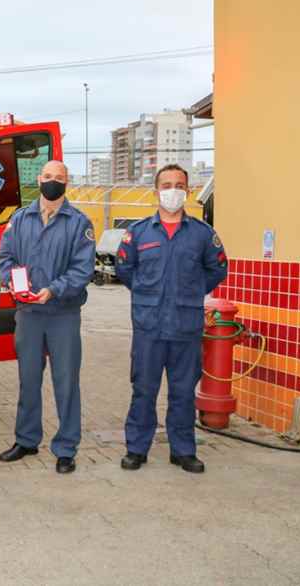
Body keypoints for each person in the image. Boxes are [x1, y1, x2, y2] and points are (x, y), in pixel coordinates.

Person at [116, 164, 228, 474]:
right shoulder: (137, 232)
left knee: (182, 392)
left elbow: (217, 269)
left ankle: (183, 450)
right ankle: (137, 449)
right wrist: (146, 293)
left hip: (185, 328)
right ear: (156, 191)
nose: (172, 190)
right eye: (166, 185)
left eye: (179, 184)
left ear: (188, 191)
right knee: (144, 390)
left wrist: (191, 293)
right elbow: (125, 270)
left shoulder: (203, 235)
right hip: (148, 328)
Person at [0, 161, 95, 474]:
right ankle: (26, 439)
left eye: (60, 178)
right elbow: (6, 258)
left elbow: (83, 269)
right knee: (28, 380)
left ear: (68, 182)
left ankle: (66, 447)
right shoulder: (20, 218)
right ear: (38, 179)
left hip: (62, 314)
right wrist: (13, 282)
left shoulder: (78, 222)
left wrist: (54, 290)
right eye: (48, 177)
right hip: (28, 313)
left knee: (66, 382)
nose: (53, 182)